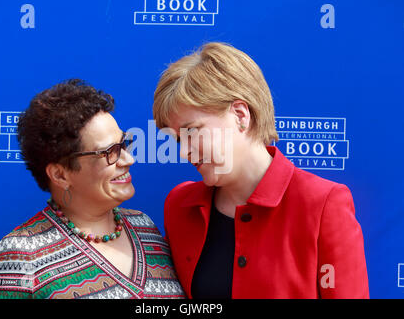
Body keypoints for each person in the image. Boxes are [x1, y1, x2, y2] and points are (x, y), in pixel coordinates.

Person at [152, 42, 369, 299]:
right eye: (178, 139)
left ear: (241, 115)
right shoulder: (180, 206)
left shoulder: (322, 204)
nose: (183, 152)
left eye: (193, 132)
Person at [0, 79, 185, 299]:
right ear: (60, 175)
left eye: (123, 145)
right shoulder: (19, 257)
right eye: (109, 152)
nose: (128, 159)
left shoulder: (145, 228)